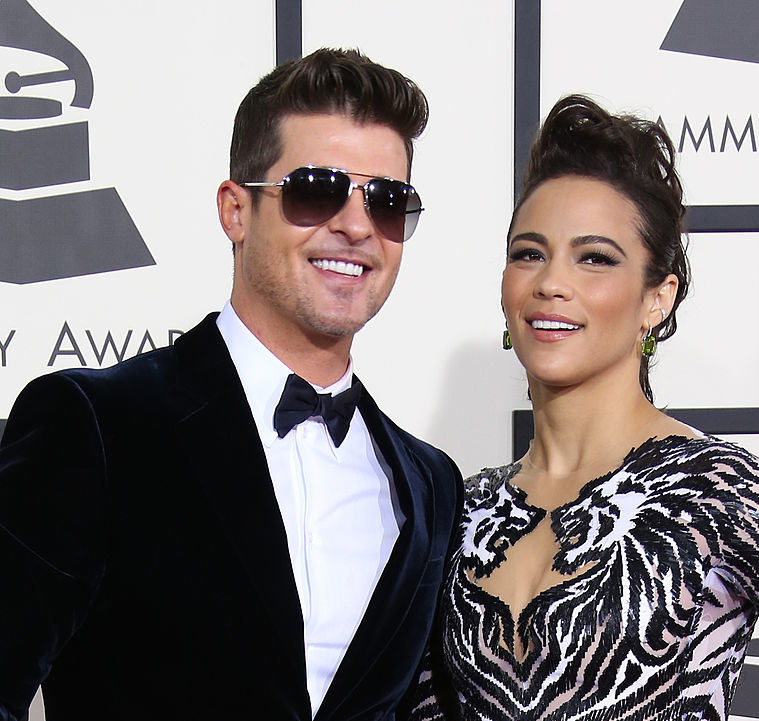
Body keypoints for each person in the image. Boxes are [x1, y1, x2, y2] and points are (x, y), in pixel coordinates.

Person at [401, 96, 759, 720]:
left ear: (657, 299)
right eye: (529, 252)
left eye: (595, 258)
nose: (552, 282)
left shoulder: (728, 492)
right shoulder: (465, 509)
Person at [0, 48, 461, 721]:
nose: (358, 225)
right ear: (235, 210)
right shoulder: (98, 424)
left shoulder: (430, 485)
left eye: (388, 202)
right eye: (317, 189)